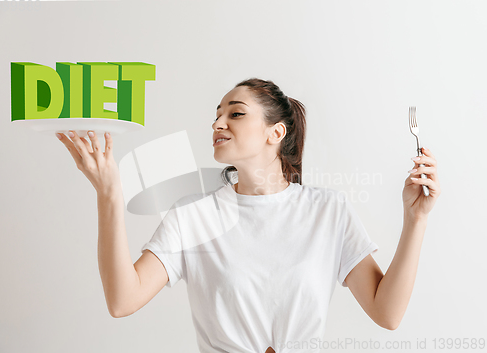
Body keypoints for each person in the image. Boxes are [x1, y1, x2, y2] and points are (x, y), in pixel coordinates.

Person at [55, 78, 441, 353]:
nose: (217, 123)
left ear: (276, 133)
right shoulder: (193, 216)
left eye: (235, 114)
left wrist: (415, 221)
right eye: (217, 114)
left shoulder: (327, 211)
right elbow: (123, 300)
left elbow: (387, 313)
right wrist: (109, 193)